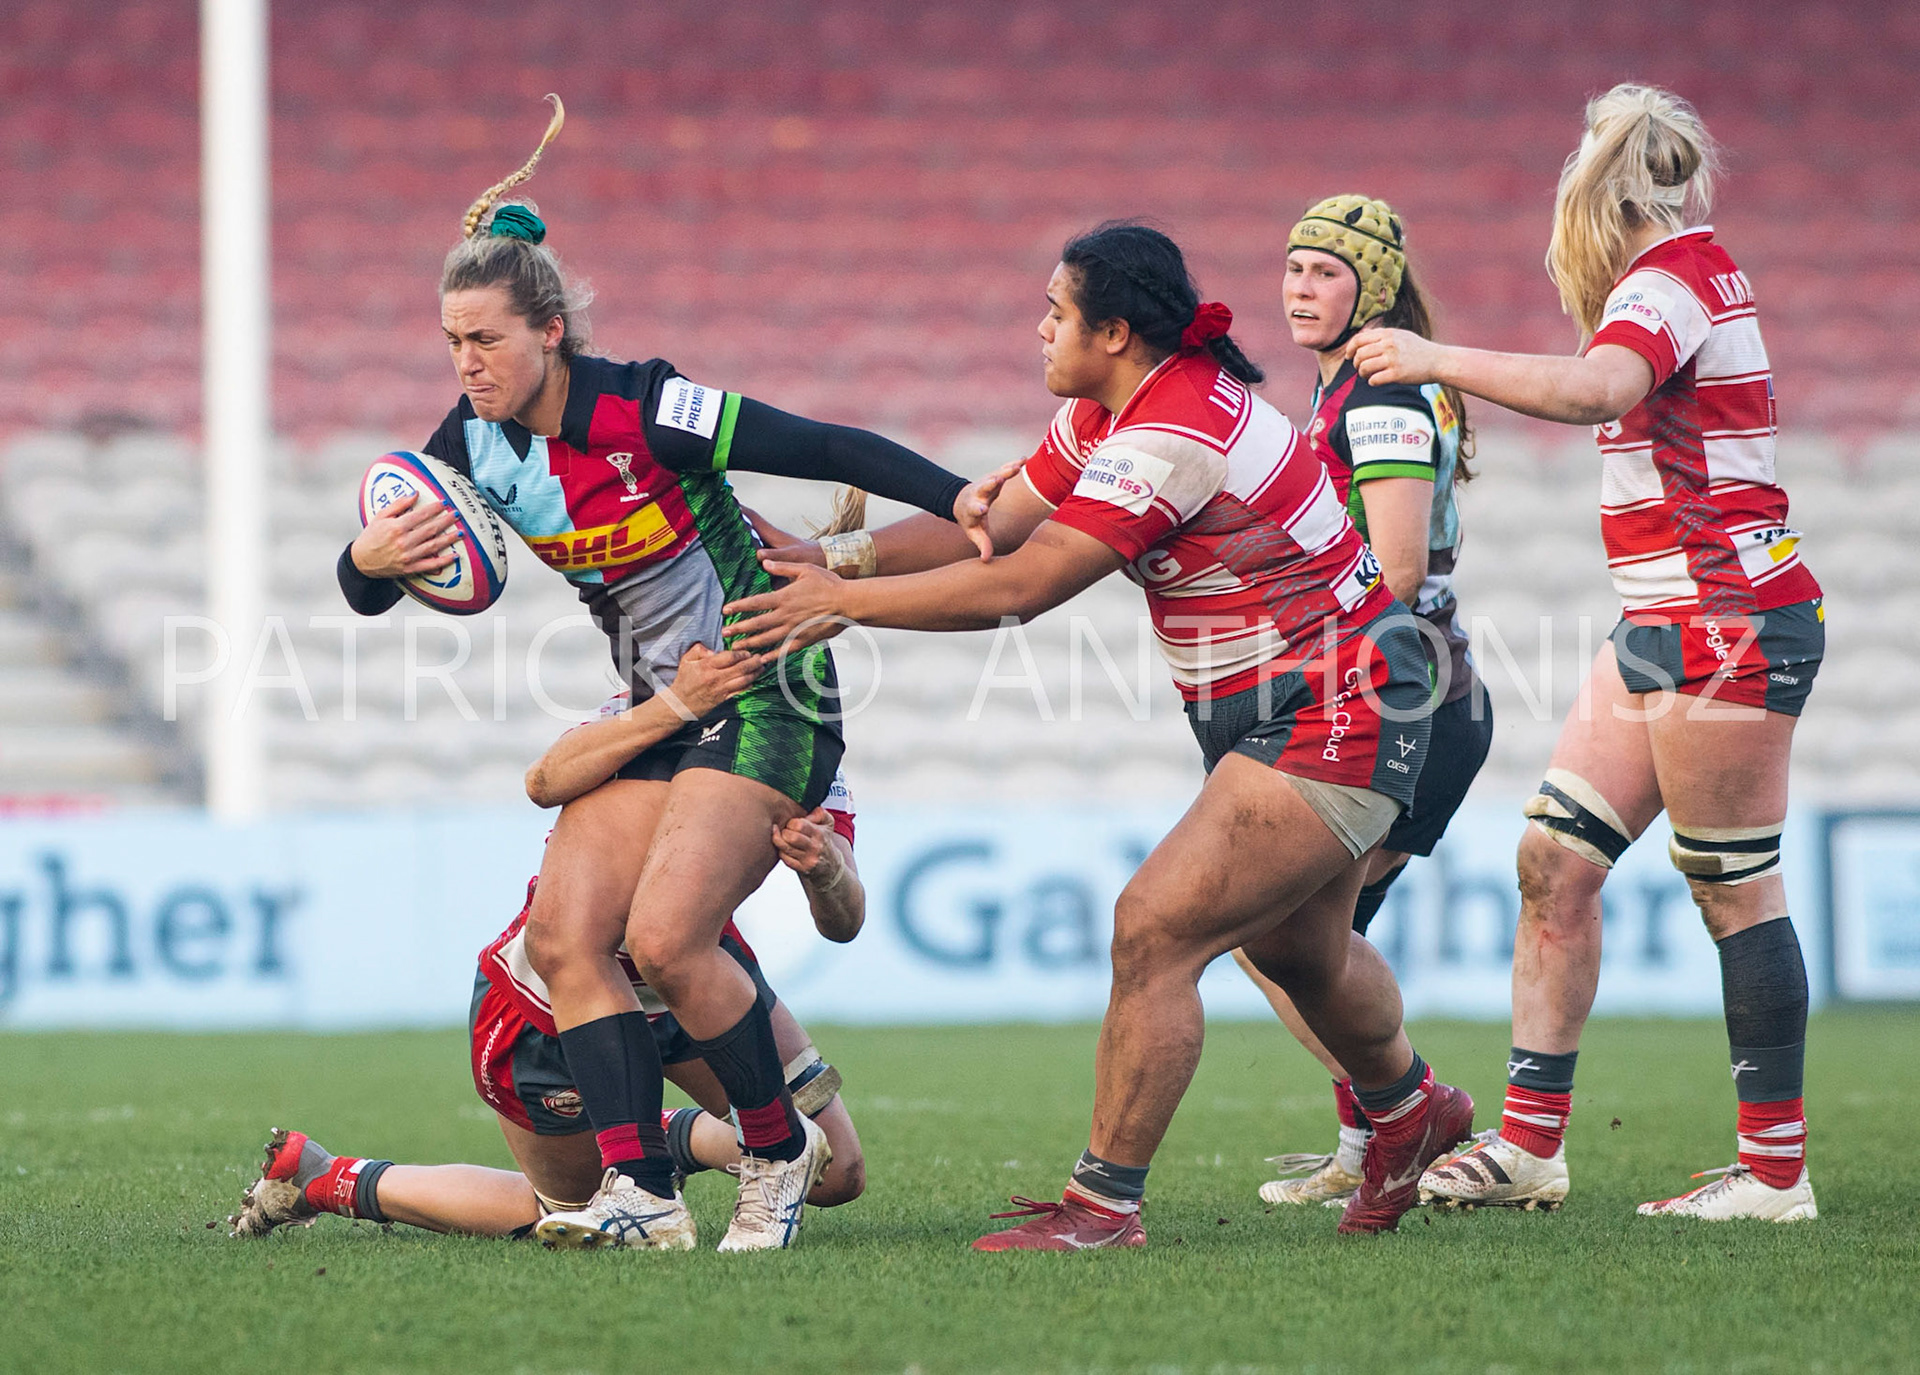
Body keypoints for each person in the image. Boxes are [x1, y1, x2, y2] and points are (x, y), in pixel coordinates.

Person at [725, 221, 1473, 1247]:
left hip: (1342, 698)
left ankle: (1103, 1205)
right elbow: (996, 526)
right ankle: (1413, 1109)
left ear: (1115, 332)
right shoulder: (1113, 410)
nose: (1041, 328)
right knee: (1300, 952)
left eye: (1057, 312)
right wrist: (833, 559)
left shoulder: (1169, 434)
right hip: (1310, 696)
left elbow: (1023, 585)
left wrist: (844, 605)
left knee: (1153, 929)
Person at [332, 97, 983, 1252]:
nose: (466, 362)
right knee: (567, 938)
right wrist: (364, 562)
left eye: (485, 338)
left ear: (550, 332)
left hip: (766, 684)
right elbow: (376, 586)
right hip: (662, 703)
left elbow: (821, 447)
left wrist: (960, 496)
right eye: (450, 342)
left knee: (672, 940)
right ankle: (644, 1195)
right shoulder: (470, 444)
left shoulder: (646, 406)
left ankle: (775, 1156)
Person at [1350, 84, 1822, 1222]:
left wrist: (1435, 356)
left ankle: (1775, 1173)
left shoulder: (1667, 280)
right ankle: (1530, 1148)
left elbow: (1599, 387)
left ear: (1600, 203)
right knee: (1555, 861)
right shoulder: (1689, 273)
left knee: (1733, 888)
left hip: (1721, 619)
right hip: (1660, 620)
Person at [229, 643, 867, 1243]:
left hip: (694, 976)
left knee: (838, 1173)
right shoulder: (641, 712)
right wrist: (678, 704)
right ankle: (327, 1179)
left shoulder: (797, 745)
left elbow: (844, 919)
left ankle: (675, 1142)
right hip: (555, 1000)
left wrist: (826, 870)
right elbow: (544, 781)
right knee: (563, 1209)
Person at [1236, 196, 1494, 1209]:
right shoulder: (1348, 384)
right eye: (1293, 268)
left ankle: (1401, 1116)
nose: (1300, 289)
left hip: (1411, 698)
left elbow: (1394, 569)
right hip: (1393, 692)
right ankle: (1382, 1127)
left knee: (1286, 935)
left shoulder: (1379, 395)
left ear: (1372, 288)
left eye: (1326, 273)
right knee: (1293, 941)